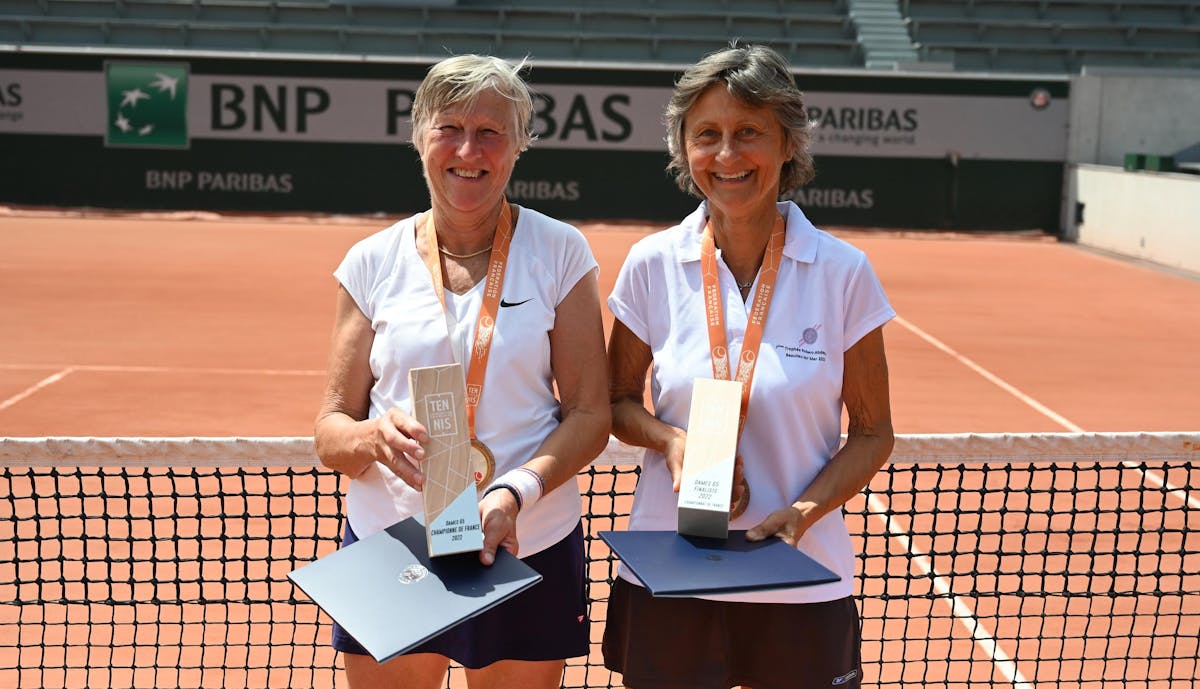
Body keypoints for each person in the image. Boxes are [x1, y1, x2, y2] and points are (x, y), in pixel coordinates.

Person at [602, 44, 895, 689]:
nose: (727, 156)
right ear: (684, 149)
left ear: (788, 144)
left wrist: (802, 512)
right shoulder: (651, 263)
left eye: (749, 133)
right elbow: (615, 402)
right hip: (672, 571)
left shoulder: (843, 272)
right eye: (707, 135)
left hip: (801, 574)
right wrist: (670, 440)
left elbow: (875, 432)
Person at [314, 54, 610, 689]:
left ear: (519, 145)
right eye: (448, 127)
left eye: (491, 132)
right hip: (392, 544)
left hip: (525, 541)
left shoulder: (560, 251)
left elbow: (590, 414)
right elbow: (331, 430)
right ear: (419, 136)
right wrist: (373, 438)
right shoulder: (371, 262)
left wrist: (514, 493)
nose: (468, 149)